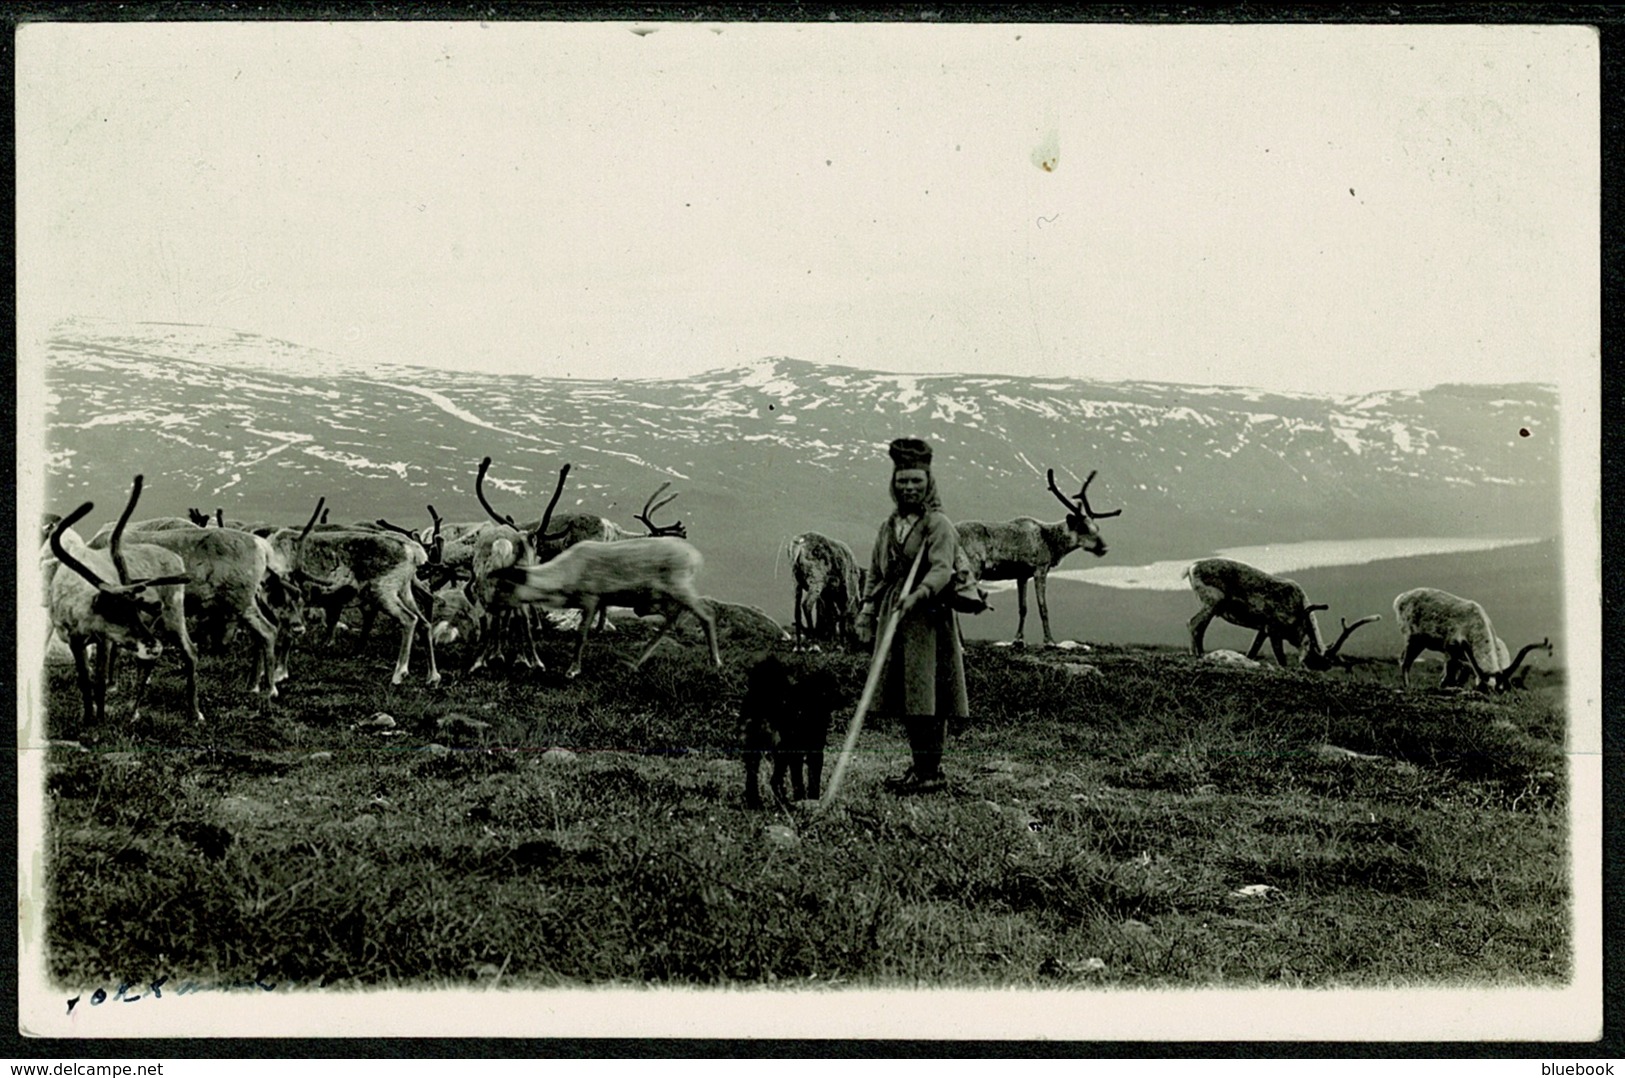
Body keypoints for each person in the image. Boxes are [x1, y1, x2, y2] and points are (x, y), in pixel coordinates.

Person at [854, 437, 970, 793]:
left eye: (916, 481)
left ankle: (931, 772)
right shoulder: (889, 527)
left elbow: (942, 569)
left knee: (927, 694)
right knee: (908, 694)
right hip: (895, 613)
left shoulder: (938, 525)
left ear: (928, 483)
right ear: (894, 483)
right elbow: (876, 572)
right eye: (902, 481)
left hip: (927, 617)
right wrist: (867, 610)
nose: (909, 488)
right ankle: (921, 768)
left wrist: (919, 592)